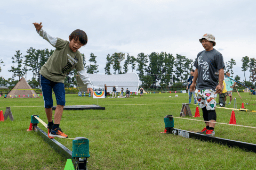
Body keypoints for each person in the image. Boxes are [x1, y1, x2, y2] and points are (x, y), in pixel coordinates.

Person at [33, 22, 92, 138]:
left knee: (61, 102)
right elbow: (49, 38)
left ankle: (55, 128)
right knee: (49, 102)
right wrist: (39, 30)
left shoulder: (78, 57)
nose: (76, 45)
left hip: (59, 79)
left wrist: (89, 84)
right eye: (75, 42)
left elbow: (82, 72)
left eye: (79, 44)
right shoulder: (62, 44)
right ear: (70, 39)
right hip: (46, 75)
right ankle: (50, 125)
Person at [190, 33, 225, 136]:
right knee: (203, 107)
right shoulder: (200, 54)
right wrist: (193, 82)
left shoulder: (217, 54)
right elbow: (197, 69)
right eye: (202, 41)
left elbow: (221, 69)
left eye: (205, 41)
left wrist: (220, 84)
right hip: (199, 87)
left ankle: (211, 129)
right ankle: (206, 128)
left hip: (210, 87)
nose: (203, 43)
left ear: (212, 42)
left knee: (210, 107)